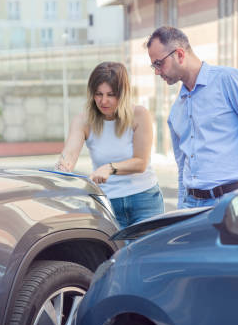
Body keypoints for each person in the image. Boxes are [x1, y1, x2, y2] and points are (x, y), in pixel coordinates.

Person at [146, 26, 238, 209]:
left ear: (180, 54)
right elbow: (183, 168)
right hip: (191, 206)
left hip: (233, 203)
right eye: (153, 66)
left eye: (159, 63)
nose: (157, 72)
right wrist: (181, 208)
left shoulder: (229, 80)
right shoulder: (176, 110)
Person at [55, 61, 164, 228]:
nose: (103, 101)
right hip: (107, 203)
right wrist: (63, 166)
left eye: (111, 94)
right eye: (98, 94)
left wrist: (109, 168)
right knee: (113, 254)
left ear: (123, 93)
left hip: (144, 200)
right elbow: (69, 154)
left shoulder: (139, 115)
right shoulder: (83, 120)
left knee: (145, 254)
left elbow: (140, 163)